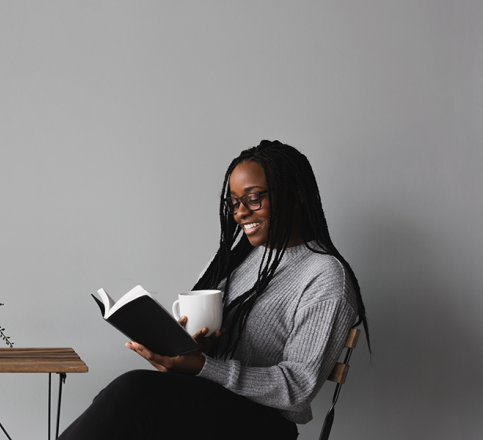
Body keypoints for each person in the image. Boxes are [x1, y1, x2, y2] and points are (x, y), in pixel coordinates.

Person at [59, 140, 370, 440]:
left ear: (297, 194)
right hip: (210, 405)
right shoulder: (235, 259)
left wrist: (205, 367)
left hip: (263, 425)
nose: (240, 213)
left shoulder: (325, 276)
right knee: (122, 402)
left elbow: (298, 388)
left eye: (253, 198)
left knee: (134, 393)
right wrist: (188, 352)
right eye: (234, 202)